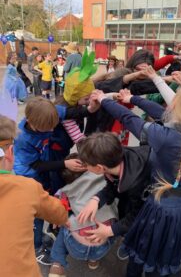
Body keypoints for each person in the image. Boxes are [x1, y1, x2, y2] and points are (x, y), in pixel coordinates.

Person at [89, 75, 181, 277]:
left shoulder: (165, 137)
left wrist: (104, 99)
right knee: (169, 258)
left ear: (179, 103)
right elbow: (161, 112)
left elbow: (129, 119)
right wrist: (133, 99)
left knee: (151, 261)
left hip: (163, 210)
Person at [13, 97, 81, 265]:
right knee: (36, 213)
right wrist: (65, 163)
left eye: (53, 125)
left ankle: (44, 233)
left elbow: (71, 112)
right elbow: (36, 165)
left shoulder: (47, 113)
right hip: (28, 176)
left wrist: (92, 107)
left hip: (40, 170)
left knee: (46, 202)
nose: (51, 130)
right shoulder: (23, 139)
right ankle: (36, 248)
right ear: (31, 122)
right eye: (46, 129)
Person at [0, 114, 68, 277]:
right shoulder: (26, 187)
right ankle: (38, 247)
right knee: (35, 223)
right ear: (10, 152)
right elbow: (60, 214)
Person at [76, 133, 151, 262]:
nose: (85, 167)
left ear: (100, 168)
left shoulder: (136, 184)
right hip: (135, 200)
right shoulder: (115, 161)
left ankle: (135, 247)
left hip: (150, 215)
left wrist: (110, 230)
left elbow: (138, 215)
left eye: (86, 164)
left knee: (140, 239)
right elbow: (112, 186)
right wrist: (97, 199)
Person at [49, 153, 118, 275]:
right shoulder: (105, 179)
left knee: (64, 224)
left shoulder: (65, 191)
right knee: (111, 221)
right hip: (102, 245)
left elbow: (56, 205)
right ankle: (93, 261)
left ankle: (57, 263)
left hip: (76, 247)